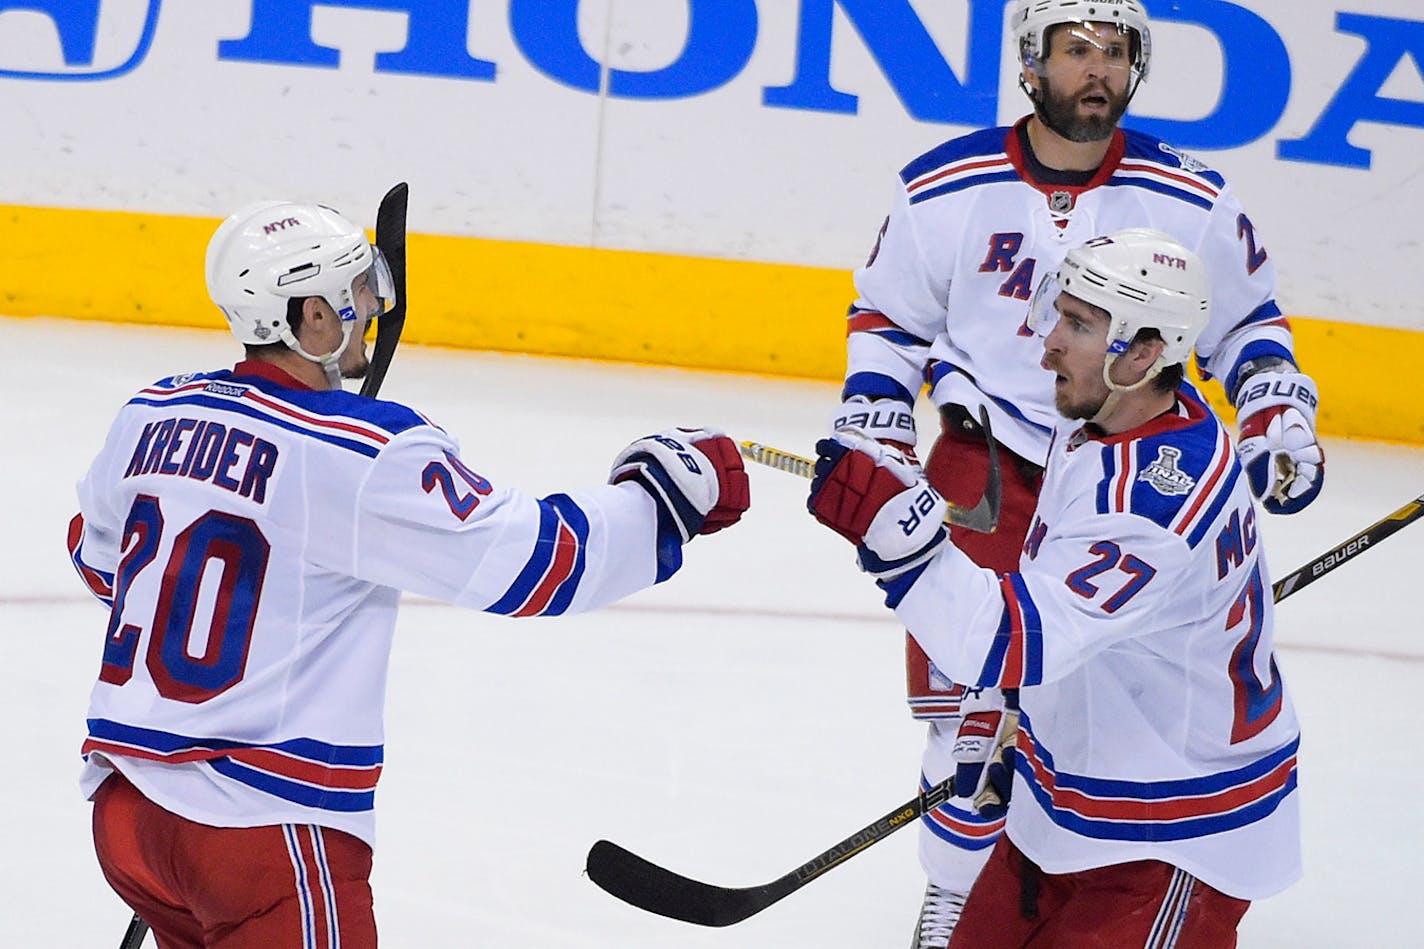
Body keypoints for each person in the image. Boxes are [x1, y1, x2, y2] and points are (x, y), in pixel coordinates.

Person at [66, 200, 751, 948]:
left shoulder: (151, 413)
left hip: (126, 816)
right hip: (261, 836)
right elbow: (537, 563)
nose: (372, 306)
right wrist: (663, 498)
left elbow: (100, 557)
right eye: (355, 292)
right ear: (312, 321)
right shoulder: (361, 452)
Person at [832, 1, 1322, 941]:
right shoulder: (944, 186)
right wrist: (877, 427)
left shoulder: (1193, 197)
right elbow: (887, 322)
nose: (1097, 70)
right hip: (991, 465)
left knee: (1053, 670)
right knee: (972, 711)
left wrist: (1273, 408)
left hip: (1114, 469)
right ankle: (957, 883)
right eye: (1075, 50)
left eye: (1116, 52)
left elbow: (1248, 323)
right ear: (1031, 62)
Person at [812, 228, 1301, 948]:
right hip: (1070, 798)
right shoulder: (1107, 422)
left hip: (1167, 834)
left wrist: (899, 542)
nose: (1046, 343)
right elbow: (1050, 613)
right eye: (1058, 312)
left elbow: (1003, 640)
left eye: (1077, 324)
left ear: (1143, 351)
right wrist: (1017, 711)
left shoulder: (1149, 500)